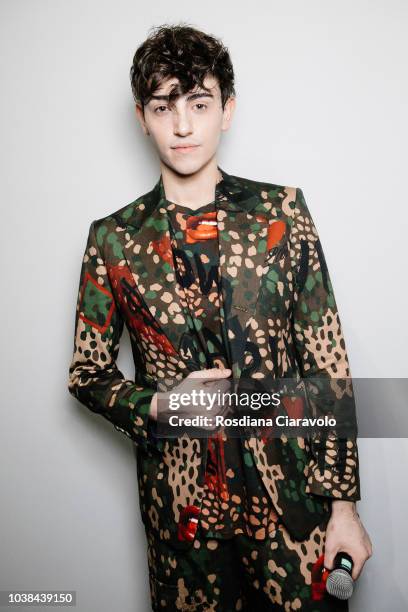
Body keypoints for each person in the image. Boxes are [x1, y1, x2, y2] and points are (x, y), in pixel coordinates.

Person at [68, 23, 372, 611]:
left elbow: (327, 365)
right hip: (183, 519)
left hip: (292, 505)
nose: (183, 126)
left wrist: (344, 508)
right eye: (165, 107)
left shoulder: (281, 214)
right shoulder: (113, 240)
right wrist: (158, 405)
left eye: (199, 104)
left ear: (226, 111)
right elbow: (86, 374)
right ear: (143, 116)